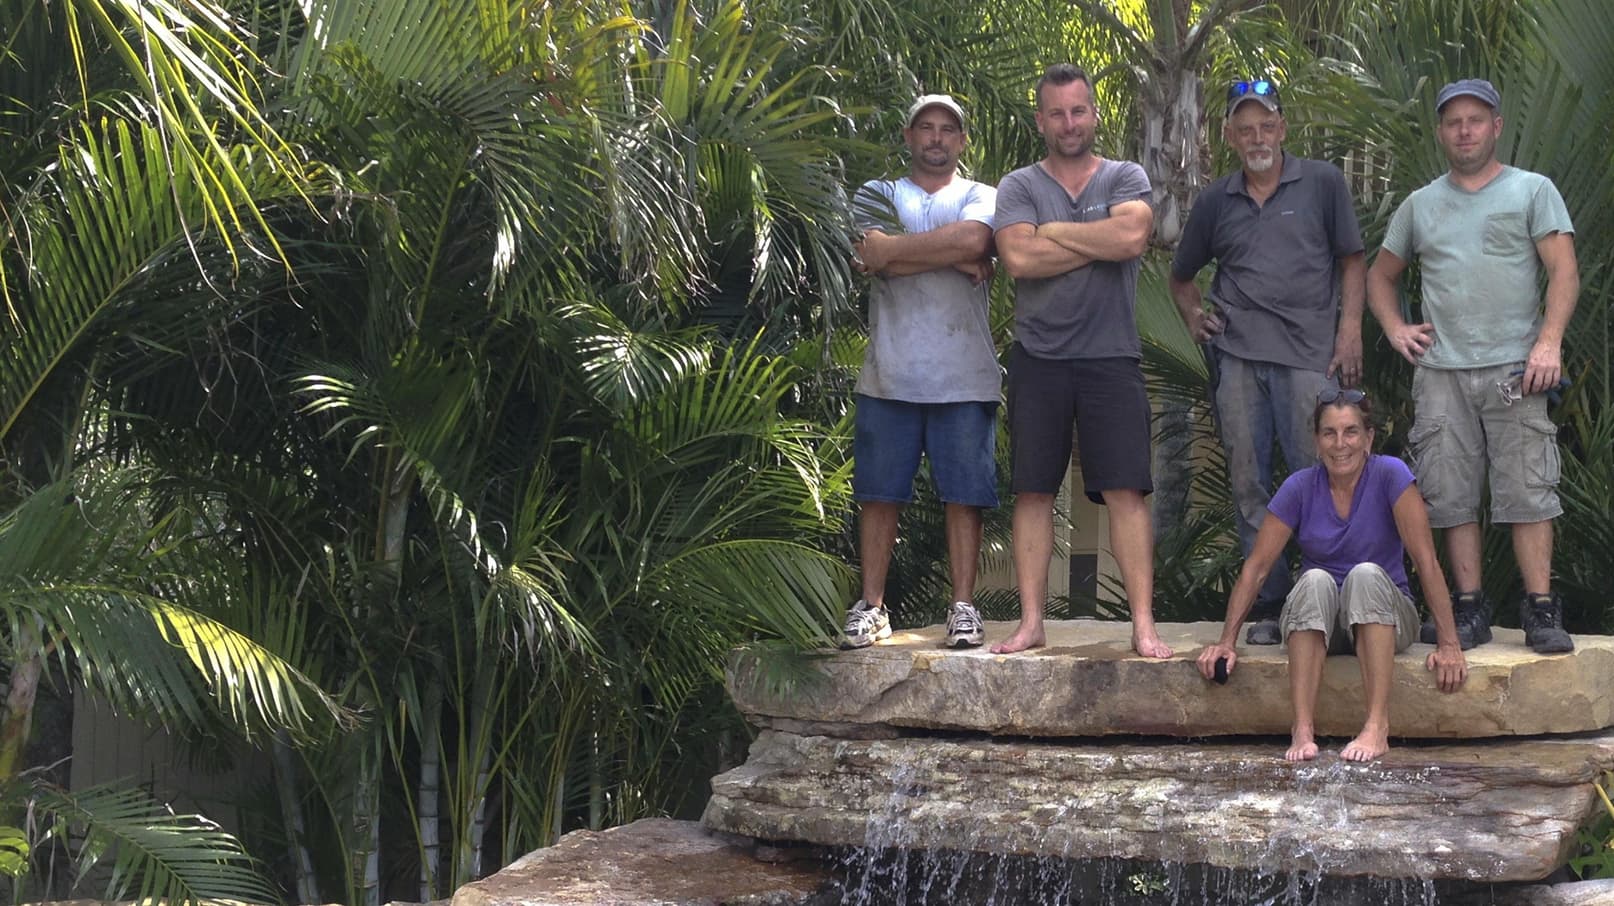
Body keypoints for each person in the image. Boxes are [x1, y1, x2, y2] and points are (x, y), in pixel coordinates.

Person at [1366, 78, 1580, 654]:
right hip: (1441, 371)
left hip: (1518, 369)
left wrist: (1549, 343)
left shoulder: (1532, 190)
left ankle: (1541, 609)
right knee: (1449, 493)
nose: (1465, 131)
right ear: (1441, 132)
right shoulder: (1420, 204)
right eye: (1454, 122)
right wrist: (1396, 328)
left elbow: (1564, 271)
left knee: (1529, 489)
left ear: (1496, 127)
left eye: (1475, 120)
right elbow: (1380, 276)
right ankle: (1467, 608)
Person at [1170, 78, 1366, 647]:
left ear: (1282, 129)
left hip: (1310, 358)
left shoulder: (1323, 183)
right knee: (1249, 483)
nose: (1257, 137)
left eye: (1266, 126)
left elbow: (1353, 261)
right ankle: (1273, 603)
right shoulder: (1215, 201)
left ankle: (1330, 596)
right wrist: (1194, 317)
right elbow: (1181, 277)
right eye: (1245, 128)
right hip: (1238, 359)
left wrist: (1350, 332)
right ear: (1230, 136)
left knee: (1325, 476)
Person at [991, 63, 1170, 659]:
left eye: (1078, 110)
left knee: (1126, 491)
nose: (1069, 123)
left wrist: (1053, 232)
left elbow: (1130, 239)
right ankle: (1031, 623)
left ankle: (1143, 625)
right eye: (1057, 113)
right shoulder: (1019, 185)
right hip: (1038, 357)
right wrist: (1094, 239)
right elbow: (1019, 259)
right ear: (1040, 121)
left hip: (1111, 356)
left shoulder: (1125, 176)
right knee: (1033, 491)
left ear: (1094, 113)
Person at [1196, 390, 1468, 762]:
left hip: (1385, 616)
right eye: (1329, 433)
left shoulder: (1391, 475)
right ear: (1316, 441)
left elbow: (1427, 562)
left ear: (1369, 438)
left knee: (1364, 575)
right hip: (1321, 618)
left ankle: (1377, 726)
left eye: (1351, 432)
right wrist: (1226, 641)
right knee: (1313, 580)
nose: (1341, 444)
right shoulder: (1300, 487)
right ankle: (1302, 729)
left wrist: (1449, 645)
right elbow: (1257, 567)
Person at [838, 94, 1000, 650]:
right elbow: (867, 255)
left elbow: (976, 238)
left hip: (966, 376)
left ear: (961, 140)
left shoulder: (980, 195)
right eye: (925, 128)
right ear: (909, 137)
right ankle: (872, 607)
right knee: (878, 495)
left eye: (947, 130)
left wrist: (897, 252)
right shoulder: (877, 194)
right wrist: (953, 257)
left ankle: (963, 607)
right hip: (889, 373)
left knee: (965, 497)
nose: (936, 137)